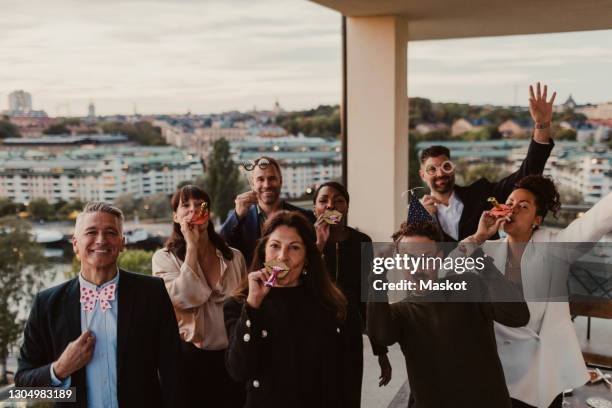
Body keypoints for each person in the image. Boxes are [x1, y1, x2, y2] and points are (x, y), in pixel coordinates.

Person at [461, 175, 612, 408]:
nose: (513, 209)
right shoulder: (487, 250)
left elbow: (595, 221)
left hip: (540, 370)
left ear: (537, 219)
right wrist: (479, 236)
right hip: (495, 366)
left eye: (523, 206)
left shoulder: (555, 250)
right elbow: (445, 275)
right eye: (509, 203)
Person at [15, 202, 181, 408]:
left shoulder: (152, 292)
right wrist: (60, 369)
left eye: (111, 232)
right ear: (75, 243)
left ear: (122, 243)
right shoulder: (47, 304)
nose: (101, 240)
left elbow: (174, 371)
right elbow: (22, 386)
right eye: (91, 232)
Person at [367, 219, 530, 408]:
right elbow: (381, 335)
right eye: (409, 259)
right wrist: (377, 273)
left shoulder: (470, 285)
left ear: (439, 257)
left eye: (427, 258)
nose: (418, 267)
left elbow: (517, 315)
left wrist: (478, 257)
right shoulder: (401, 312)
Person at [224, 211, 353, 407]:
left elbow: (339, 378)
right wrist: (252, 305)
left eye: (294, 248)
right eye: (275, 246)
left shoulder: (328, 304)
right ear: (263, 252)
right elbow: (238, 370)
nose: (282, 257)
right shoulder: (240, 304)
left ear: (307, 257)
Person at [419, 82, 556, 241]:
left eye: (446, 166)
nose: (440, 173)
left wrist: (542, 124)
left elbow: (528, 172)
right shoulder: (419, 213)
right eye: (432, 169)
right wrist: (424, 219)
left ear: (453, 169)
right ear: (422, 175)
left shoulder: (482, 193)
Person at [152, 185, 246, 407]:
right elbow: (183, 298)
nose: (193, 210)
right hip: (190, 357)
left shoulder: (234, 257)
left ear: (209, 213)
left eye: (200, 205)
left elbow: (243, 305)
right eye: (185, 205)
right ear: (176, 216)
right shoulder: (164, 259)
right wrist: (192, 247)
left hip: (232, 355)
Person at [312, 181, 392, 402]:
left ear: (346, 207)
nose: (331, 206)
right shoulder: (303, 243)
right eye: (323, 201)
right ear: (314, 209)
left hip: (350, 335)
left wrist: (380, 351)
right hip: (313, 336)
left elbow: (368, 296)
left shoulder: (361, 241)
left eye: (339, 200)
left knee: (348, 396)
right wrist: (317, 246)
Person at [220, 156, 316, 266]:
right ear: (252, 184)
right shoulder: (239, 218)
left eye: (272, 179)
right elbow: (221, 245)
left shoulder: (304, 217)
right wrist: (237, 215)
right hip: (252, 281)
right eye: (260, 179)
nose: (267, 185)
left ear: (280, 181)